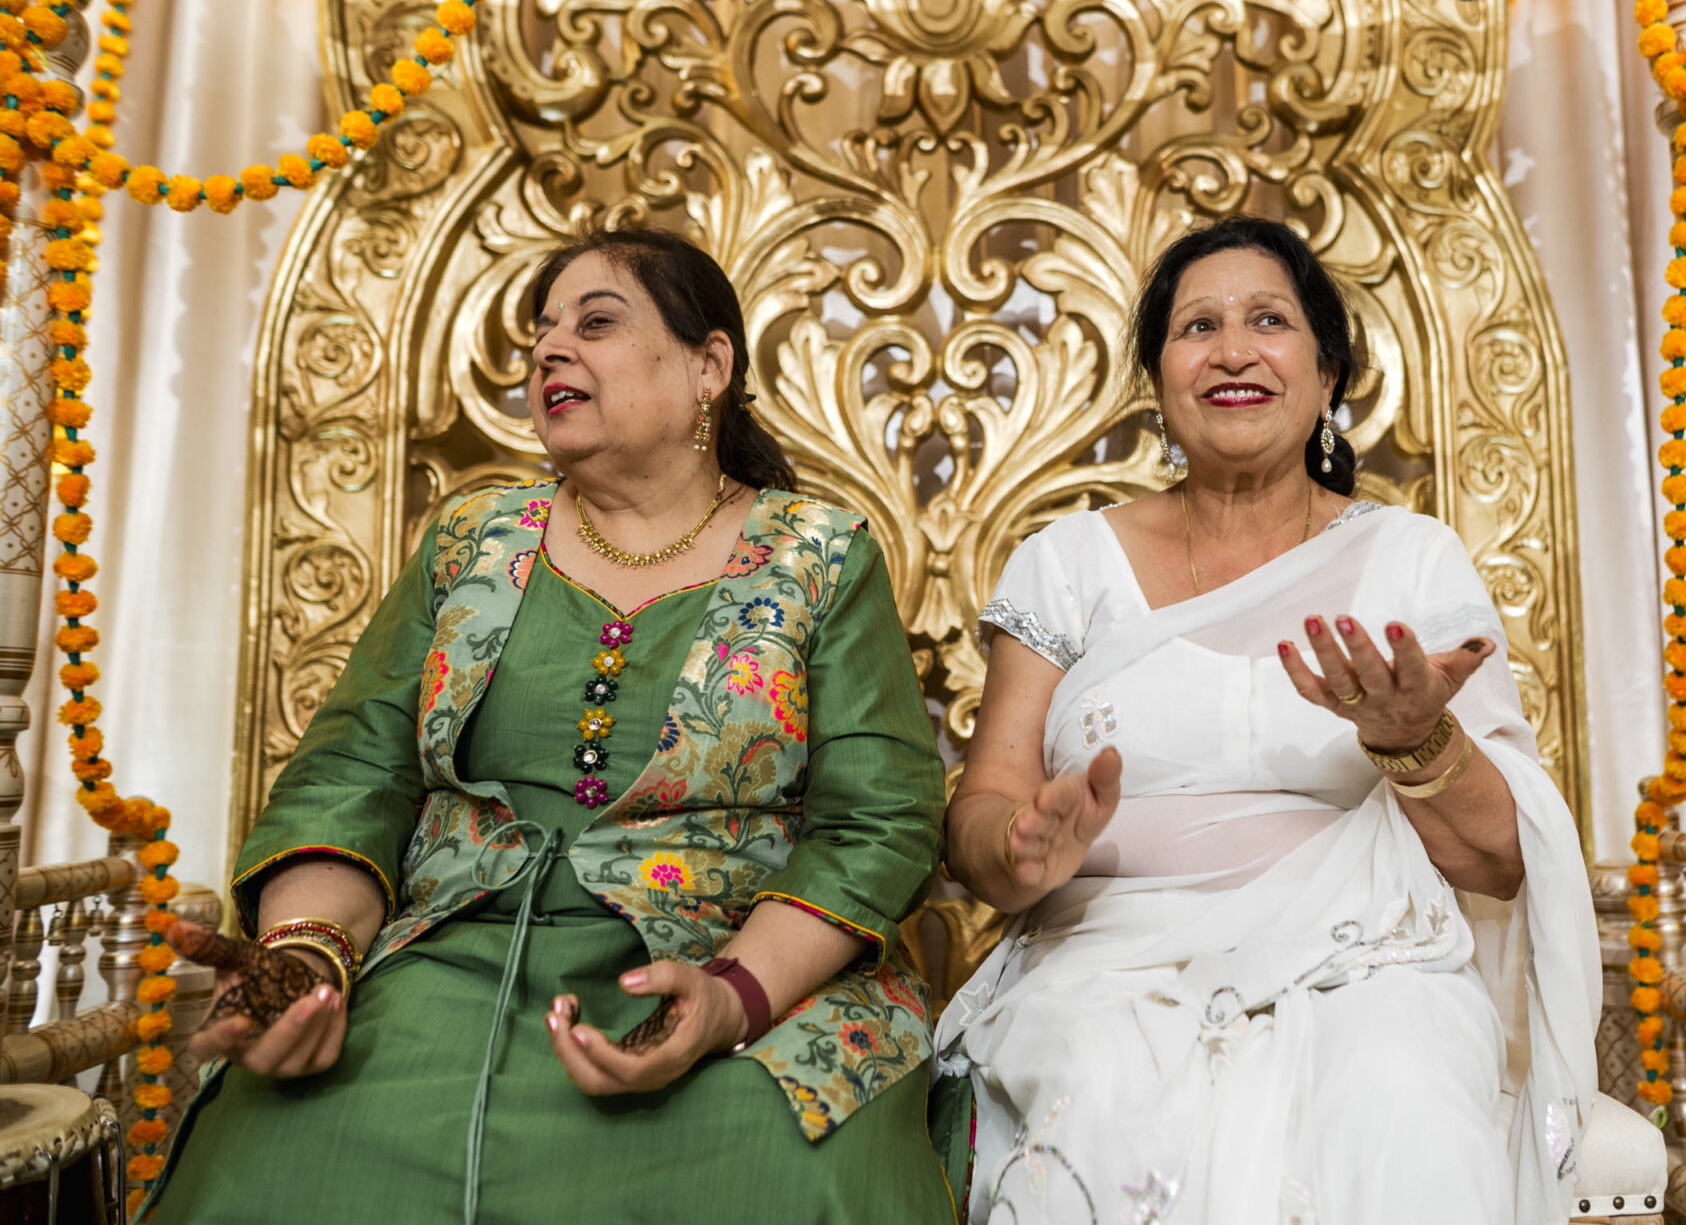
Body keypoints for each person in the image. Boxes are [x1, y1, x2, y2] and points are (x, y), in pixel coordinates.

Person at [147, 227, 959, 1223]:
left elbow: (879, 822)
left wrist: (731, 1002)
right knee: (283, 1134)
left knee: (783, 1158)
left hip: (722, 968)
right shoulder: (472, 537)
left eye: (597, 322)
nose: (548, 351)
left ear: (710, 366)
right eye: (540, 333)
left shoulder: (820, 554)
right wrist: (308, 957)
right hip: (446, 960)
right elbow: (353, 774)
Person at [935, 215, 1599, 1224]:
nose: (1234, 349)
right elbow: (984, 808)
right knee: (1100, 1102)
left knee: (1403, 1109)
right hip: (1102, 967)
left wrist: (1416, 742)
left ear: (1327, 377)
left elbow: (1502, 863)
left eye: (1268, 321)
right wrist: (1019, 848)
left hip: (1369, 967)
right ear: (1161, 380)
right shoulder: (1067, 563)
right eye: (1198, 326)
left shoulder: (1413, 560)